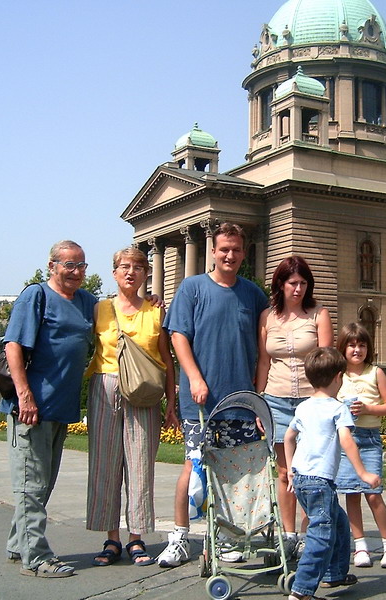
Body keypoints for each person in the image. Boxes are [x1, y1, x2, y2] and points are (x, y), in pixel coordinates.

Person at [158, 222, 268, 568]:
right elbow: (178, 337)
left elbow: (264, 346)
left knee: (235, 476)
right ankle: (180, 537)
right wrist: (194, 378)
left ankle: (227, 537)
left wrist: (260, 396)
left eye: (236, 249)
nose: (230, 255)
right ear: (213, 252)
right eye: (224, 249)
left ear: (243, 252)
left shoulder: (253, 295)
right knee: (193, 468)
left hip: (241, 404)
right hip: (201, 402)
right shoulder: (192, 288)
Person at [0, 240, 98, 578]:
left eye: (81, 265)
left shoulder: (85, 301)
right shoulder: (36, 296)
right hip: (32, 410)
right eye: (69, 265)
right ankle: (37, 558)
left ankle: (19, 545)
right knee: (31, 484)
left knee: (42, 485)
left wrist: (151, 300)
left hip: (60, 409)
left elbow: (118, 313)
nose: (76, 272)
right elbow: (13, 345)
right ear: (52, 265)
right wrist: (25, 395)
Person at [84, 247, 177, 567]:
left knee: (140, 466)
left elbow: (167, 359)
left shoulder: (156, 311)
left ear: (146, 274)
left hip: (144, 393)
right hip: (105, 387)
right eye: (124, 267)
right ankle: (111, 537)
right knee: (105, 466)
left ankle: (136, 537)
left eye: (138, 267)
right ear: (114, 273)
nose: (130, 272)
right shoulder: (99, 308)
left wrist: (171, 403)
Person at [284, 347, 381, 600]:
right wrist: (363, 473)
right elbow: (347, 441)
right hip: (319, 482)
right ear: (339, 377)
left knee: (338, 522)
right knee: (321, 534)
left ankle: (334, 573)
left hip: (302, 479)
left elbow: (288, 437)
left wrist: (291, 470)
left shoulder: (304, 407)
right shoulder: (338, 409)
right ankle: (301, 590)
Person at [255, 256, 332, 557]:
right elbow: (264, 362)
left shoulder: (318, 314)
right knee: (285, 472)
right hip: (276, 399)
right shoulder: (267, 317)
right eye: (292, 283)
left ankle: (311, 533)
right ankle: (288, 535)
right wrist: (259, 400)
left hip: (311, 402)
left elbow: (327, 362)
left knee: (311, 472)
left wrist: (327, 402)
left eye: (303, 283)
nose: (298, 289)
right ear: (281, 285)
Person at [335, 322, 386, 568]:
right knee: (351, 494)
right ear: (343, 348)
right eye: (351, 345)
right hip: (346, 440)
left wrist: (368, 409)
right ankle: (360, 546)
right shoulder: (338, 376)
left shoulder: (375, 373)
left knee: (373, 494)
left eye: (362, 345)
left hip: (370, 439)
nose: (357, 350)